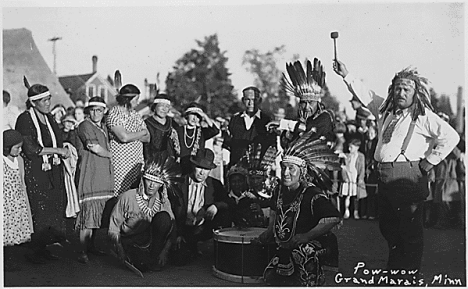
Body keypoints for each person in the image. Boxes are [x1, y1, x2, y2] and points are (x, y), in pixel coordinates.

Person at [333, 60, 460, 276]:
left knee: (409, 230)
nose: (401, 92)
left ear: (415, 93)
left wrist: (431, 160)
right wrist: (346, 75)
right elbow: (367, 96)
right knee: (388, 227)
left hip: (408, 178)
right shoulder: (385, 111)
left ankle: (407, 275)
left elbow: (451, 136)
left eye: (406, 89)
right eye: (397, 88)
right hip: (384, 177)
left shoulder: (422, 116)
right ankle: (395, 270)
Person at [254, 130, 342, 286]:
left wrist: (307, 236)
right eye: (284, 168)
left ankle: (312, 280)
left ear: (302, 172)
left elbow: (333, 218)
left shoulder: (312, 192)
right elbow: (274, 212)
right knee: (270, 277)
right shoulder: (279, 190)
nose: (286, 173)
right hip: (288, 243)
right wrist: (269, 232)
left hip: (312, 242)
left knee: (302, 253)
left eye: (291, 168)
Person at [15, 81, 71, 264]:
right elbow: (31, 148)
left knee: (53, 207)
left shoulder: (49, 119)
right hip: (36, 172)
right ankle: (34, 250)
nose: (48, 103)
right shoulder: (25, 119)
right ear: (33, 103)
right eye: (44, 101)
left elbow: (58, 140)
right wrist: (57, 151)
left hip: (52, 171)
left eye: (49, 99)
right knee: (39, 209)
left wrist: (63, 149)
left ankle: (44, 246)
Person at [108, 153, 183, 272]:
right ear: (143, 179)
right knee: (142, 265)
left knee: (164, 218)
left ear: (162, 185)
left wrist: (165, 252)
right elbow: (113, 228)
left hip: (151, 241)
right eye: (149, 180)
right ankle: (142, 259)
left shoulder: (163, 200)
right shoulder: (128, 197)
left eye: (156, 182)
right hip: (130, 242)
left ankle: (154, 257)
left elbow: (172, 227)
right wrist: (120, 250)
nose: (152, 185)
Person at [173, 148, 231, 264]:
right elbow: (173, 210)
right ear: (193, 166)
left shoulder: (215, 184)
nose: (202, 172)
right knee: (179, 260)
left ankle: (221, 251)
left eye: (206, 169)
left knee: (225, 214)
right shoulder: (179, 183)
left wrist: (216, 206)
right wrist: (177, 234)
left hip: (204, 227)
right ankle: (190, 247)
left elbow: (229, 202)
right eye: (199, 167)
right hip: (184, 228)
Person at [75, 97, 115, 264]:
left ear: (104, 111)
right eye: (92, 110)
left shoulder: (104, 127)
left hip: (103, 176)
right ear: (88, 111)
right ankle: (82, 251)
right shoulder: (85, 125)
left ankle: (91, 247)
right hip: (90, 175)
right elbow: (94, 147)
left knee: (99, 214)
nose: (96, 113)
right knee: (88, 216)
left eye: (99, 110)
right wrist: (113, 155)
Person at [266, 59, 335, 149]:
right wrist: (282, 134)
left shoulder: (325, 117)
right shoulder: (299, 121)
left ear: (318, 102)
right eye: (303, 103)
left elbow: (307, 130)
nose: (306, 107)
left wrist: (282, 123)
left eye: (310, 102)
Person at [107, 83, 150, 197]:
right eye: (136, 99)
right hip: (121, 163)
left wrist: (131, 134)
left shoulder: (135, 114)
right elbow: (123, 137)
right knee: (121, 195)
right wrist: (141, 132)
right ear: (127, 99)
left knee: (136, 194)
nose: (138, 102)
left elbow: (148, 137)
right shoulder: (114, 114)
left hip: (136, 162)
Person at [227, 86, 276, 167]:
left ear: (259, 100)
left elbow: (271, 145)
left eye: (254, 100)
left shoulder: (266, 120)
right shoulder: (235, 119)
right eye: (247, 99)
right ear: (243, 100)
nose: (251, 103)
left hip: (257, 168)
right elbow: (229, 142)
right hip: (236, 168)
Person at [3, 130, 34, 247]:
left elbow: (22, 179)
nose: (20, 150)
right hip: (6, 201)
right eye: (17, 148)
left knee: (18, 222)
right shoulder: (2, 161)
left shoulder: (19, 160)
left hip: (18, 198)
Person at [175, 102, 219, 174]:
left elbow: (215, 130)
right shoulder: (178, 130)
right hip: (179, 167)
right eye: (192, 114)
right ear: (186, 116)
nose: (195, 118)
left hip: (195, 169)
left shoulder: (201, 132)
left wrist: (205, 116)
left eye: (198, 116)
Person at [143, 93, 179, 162]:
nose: (164, 109)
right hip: (152, 162)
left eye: (167, 106)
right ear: (154, 107)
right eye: (161, 106)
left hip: (170, 162)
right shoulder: (146, 123)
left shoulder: (172, 123)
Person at [339, 138, 366, 219]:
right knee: (347, 195)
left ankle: (356, 212)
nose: (349, 149)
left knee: (356, 196)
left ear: (357, 147)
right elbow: (343, 168)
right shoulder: (346, 155)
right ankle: (346, 211)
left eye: (351, 147)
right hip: (348, 177)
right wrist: (345, 177)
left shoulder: (361, 156)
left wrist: (360, 178)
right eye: (349, 147)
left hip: (355, 177)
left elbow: (362, 168)